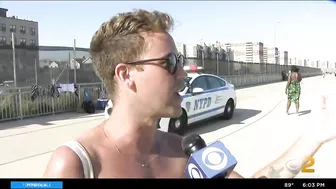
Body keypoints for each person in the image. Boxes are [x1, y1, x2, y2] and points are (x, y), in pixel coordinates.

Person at [44, 9, 336, 179]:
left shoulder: (187, 150)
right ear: (126, 74)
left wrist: (309, 141)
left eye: (180, 62)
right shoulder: (75, 163)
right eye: (170, 63)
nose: (182, 74)